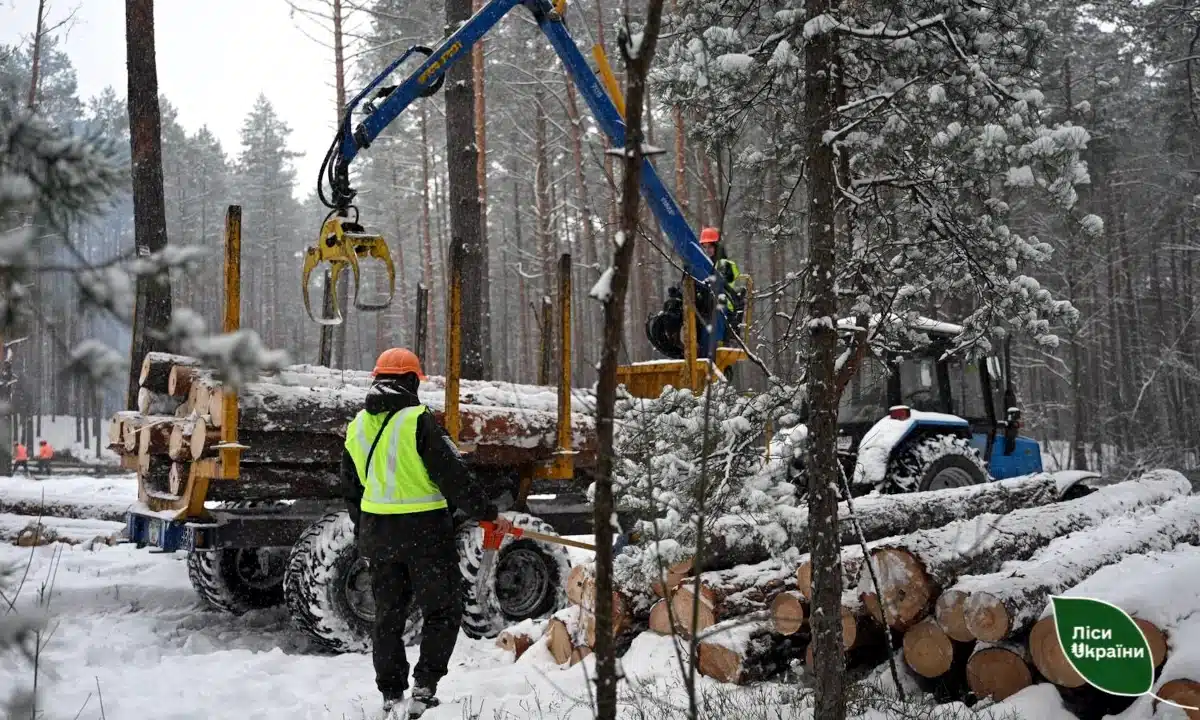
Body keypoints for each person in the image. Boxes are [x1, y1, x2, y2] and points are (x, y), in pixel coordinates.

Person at [340, 347, 512, 719]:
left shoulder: (356, 426)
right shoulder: (418, 419)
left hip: (378, 532)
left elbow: (351, 489)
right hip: (425, 533)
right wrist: (487, 513)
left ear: (377, 379)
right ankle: (424, 686)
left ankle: (390, 692)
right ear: (411, 381)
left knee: (388, 614)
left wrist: (365, 526)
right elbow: (453, 475)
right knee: (443, 610)